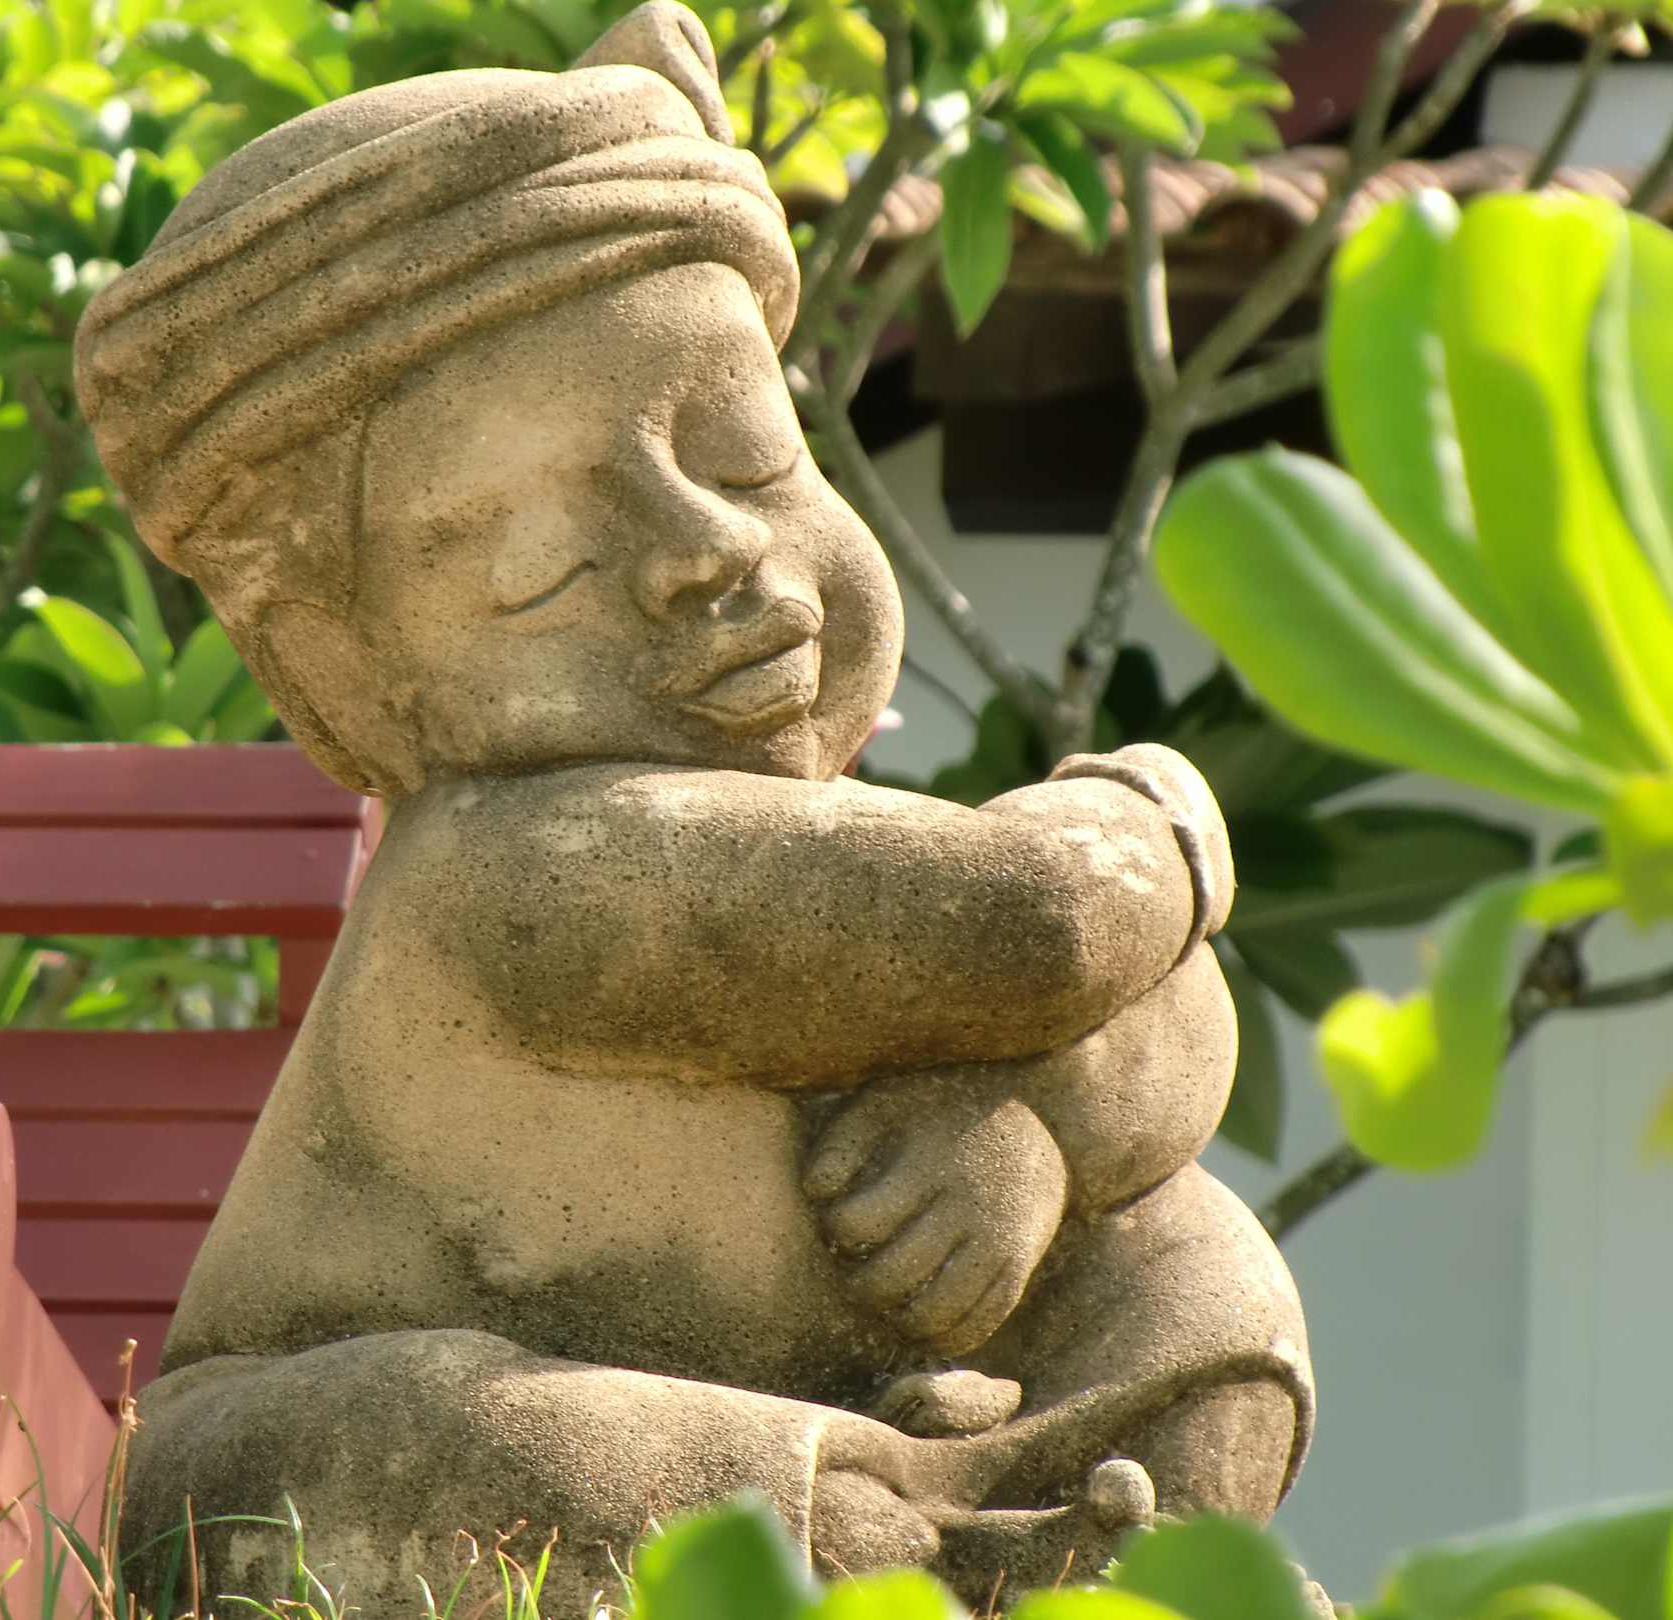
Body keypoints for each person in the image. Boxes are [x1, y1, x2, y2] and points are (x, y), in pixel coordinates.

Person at [74, 7, 1311, 1609]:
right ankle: (939, 1543)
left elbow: (1161, 1005)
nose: (708, 549)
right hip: (388, 1454)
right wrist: (1163, 814)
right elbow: (1054, 926)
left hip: (868, 1386)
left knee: (1186, 1252)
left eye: (743, 453)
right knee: (423, 1441)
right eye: (548, 567)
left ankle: (1096, 1541)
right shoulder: (521, 876)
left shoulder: (839, 863)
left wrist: (1050, 1130)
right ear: (341, 675)